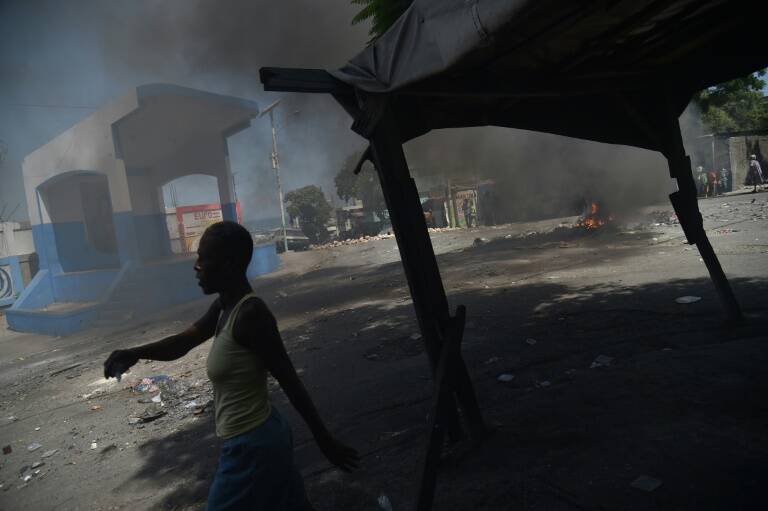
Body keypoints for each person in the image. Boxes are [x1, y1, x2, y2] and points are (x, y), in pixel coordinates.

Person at [103, 221, 358, 510]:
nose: (196, 266)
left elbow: (290, 380)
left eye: (204, 258)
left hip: (251, 446)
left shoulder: (251, 314)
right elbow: (183, 343)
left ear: (230, 263)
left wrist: (324, 440)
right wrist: (135, 353)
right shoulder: (224, 307)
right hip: (261, 437)